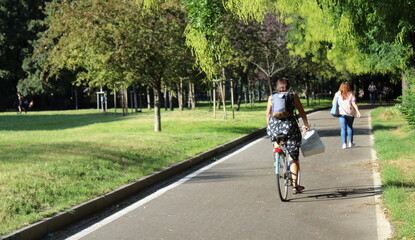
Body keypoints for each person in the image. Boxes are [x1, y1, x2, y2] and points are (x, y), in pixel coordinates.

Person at [266, 78, 309, 194]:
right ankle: (295, 186)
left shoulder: (272, 97)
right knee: (294, 158)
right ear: (288, 86)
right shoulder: (293, 95)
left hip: (275, 127)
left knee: (276, 138)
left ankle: (277, 153)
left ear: (277, 87)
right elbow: (301, 111)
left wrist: (270, 126)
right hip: (290, 127)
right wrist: (305, 124)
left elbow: (268, 115)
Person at [333, 82, 361, 149]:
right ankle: (350, 142)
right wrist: (358, 112)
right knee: (350, 127)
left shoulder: (338, 94)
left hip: (341, 113)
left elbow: (333, 103)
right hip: (350, 113)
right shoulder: (351, 94)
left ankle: (344, 144)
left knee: (343, 128)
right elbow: (354, 104)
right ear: (348, 87)